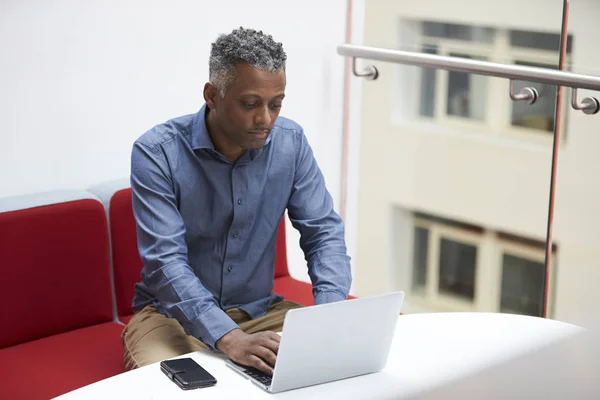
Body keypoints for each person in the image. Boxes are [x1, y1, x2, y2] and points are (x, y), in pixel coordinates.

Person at [122, 27, 352, 376]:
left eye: (276, 104)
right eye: (250, 104)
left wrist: (329, 314)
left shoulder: (291, 144)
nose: (266, 120)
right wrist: (228, 336)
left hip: (261, 312)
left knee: (342, 365)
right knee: (172, 389)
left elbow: (323, 234)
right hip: (170, 316)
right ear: (212, 95)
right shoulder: (157, 153)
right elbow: (165, 262)